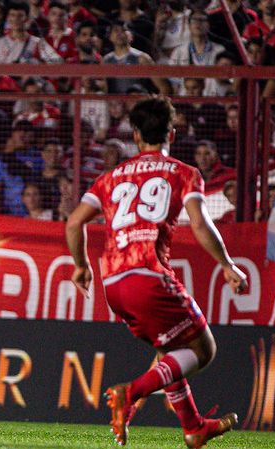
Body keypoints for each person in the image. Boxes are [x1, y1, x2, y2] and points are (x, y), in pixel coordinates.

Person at [65, 96, 246, 448]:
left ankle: (193, 428)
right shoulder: (183, 173)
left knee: (171, 350)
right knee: (203, 349)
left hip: (113, 285)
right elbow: (200, 223)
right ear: (172, 134)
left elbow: (74, 224)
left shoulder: (108, 178)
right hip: (148, 276)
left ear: (135, 135)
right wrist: (226, 264)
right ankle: (129, 393)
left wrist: (81, 266)